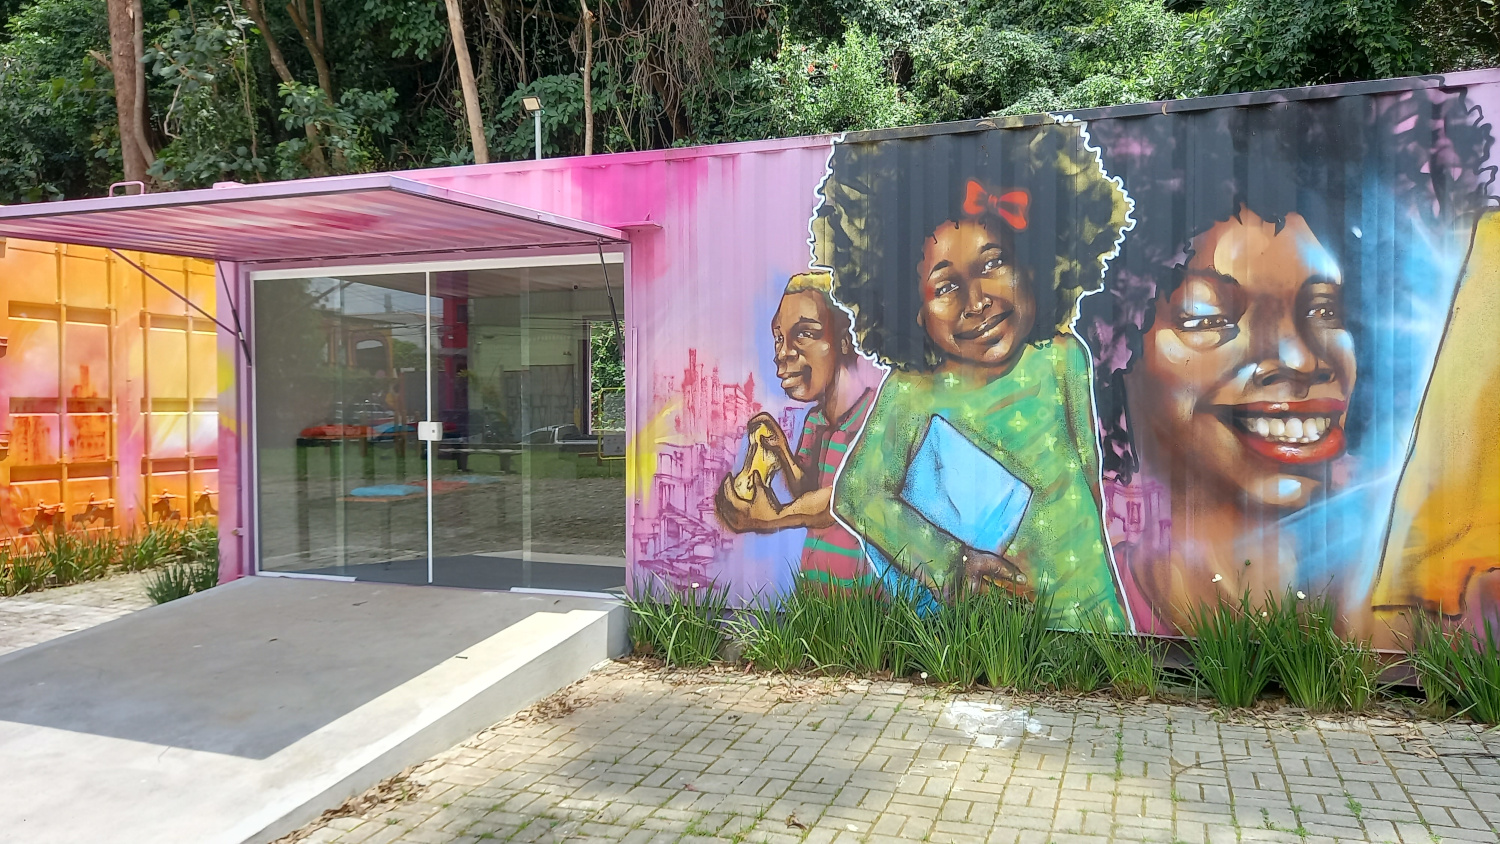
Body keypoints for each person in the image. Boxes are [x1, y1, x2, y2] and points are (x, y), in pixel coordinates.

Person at [1079, 90, 1495, 636]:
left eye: (1324, 310)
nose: (1300, 358)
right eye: (1208, 317)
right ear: (1114, 349)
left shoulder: (1440, 594)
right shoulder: (1083, 594)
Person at [812, 119, 1133, 629]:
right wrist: (950, 563)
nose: (977, 301)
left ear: (1034, 263)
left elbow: (1088, 484)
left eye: (993, 263)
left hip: (1095, 616)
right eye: (944, 288)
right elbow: (857, 493)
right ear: (910, 310)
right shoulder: (914, 389)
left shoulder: (1062, 356)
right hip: (998, 633)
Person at [714, 271, 885, 590]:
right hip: (815, 589)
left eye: (804, 333)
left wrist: (773, 517)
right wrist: (780, 448)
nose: (782, 353)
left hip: (863, 599)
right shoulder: (816, 421)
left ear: (844, 339)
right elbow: (806, 491)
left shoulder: (877, 416)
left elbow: (843, 498)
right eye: (779, 337)